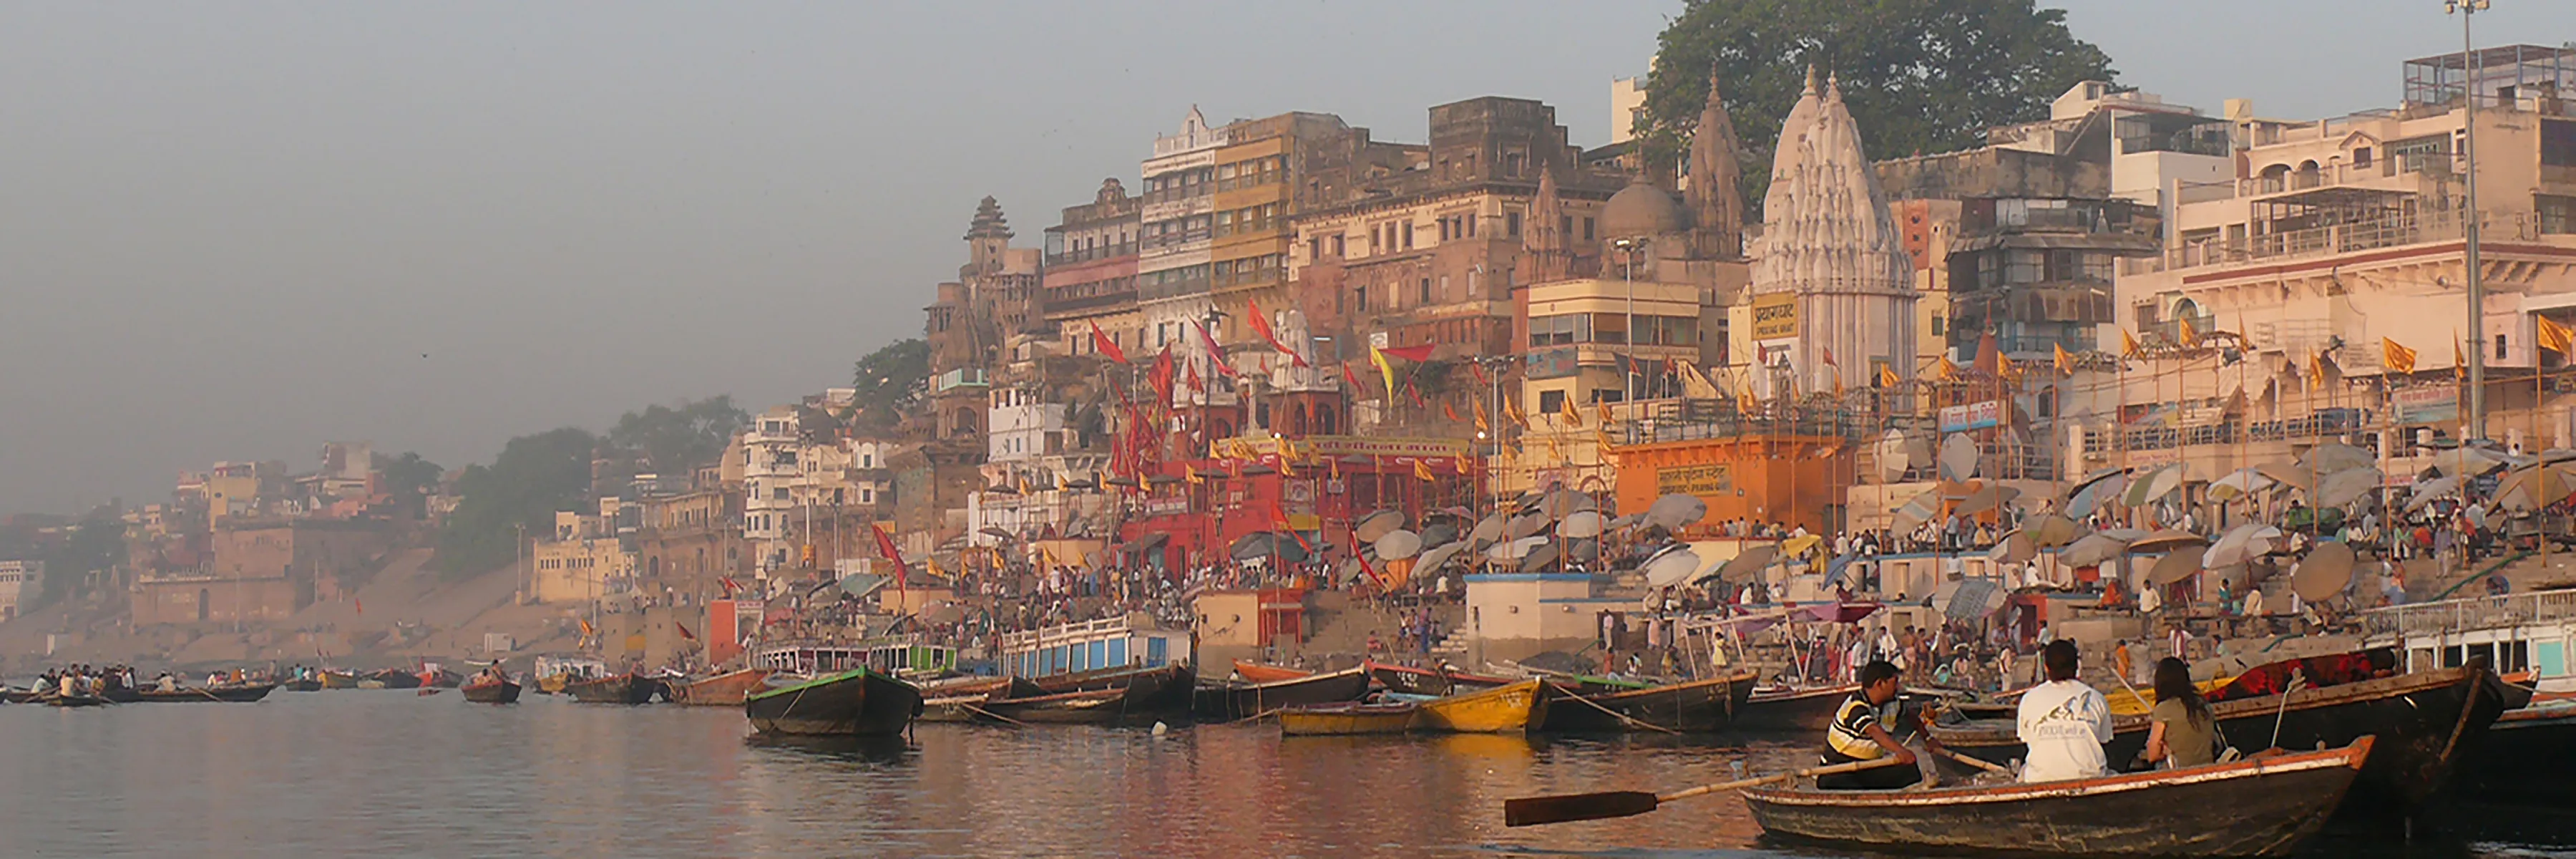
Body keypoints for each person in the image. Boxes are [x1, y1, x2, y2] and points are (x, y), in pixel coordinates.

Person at [1817, 660, 1923, 790]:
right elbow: (1874, 731)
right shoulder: (1855, 706)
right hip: (1838, 770)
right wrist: (1900, 751)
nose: (1898, 687)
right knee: (1845, 785)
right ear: (1880, 684)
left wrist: (1929, 739)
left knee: (1909, 769)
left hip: (1869, 767)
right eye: (1895, 682)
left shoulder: (1893, 703)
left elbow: (1911, 717)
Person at [2016, 639, 2112, 782]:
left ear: (2046, 667)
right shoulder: (2097, 698)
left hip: (2040, 779)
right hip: (2090, 778)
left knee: (2022, 774)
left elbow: (2027, 740)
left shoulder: (2029, 699)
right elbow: (2103, 741)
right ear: (2077, 666)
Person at [2142, 657, 2218, 770]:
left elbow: (2152, 755)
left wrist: (2164, 752)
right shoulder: (2204, 705)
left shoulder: (2163, 709)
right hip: (2207, 767)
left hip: (2177, 770)